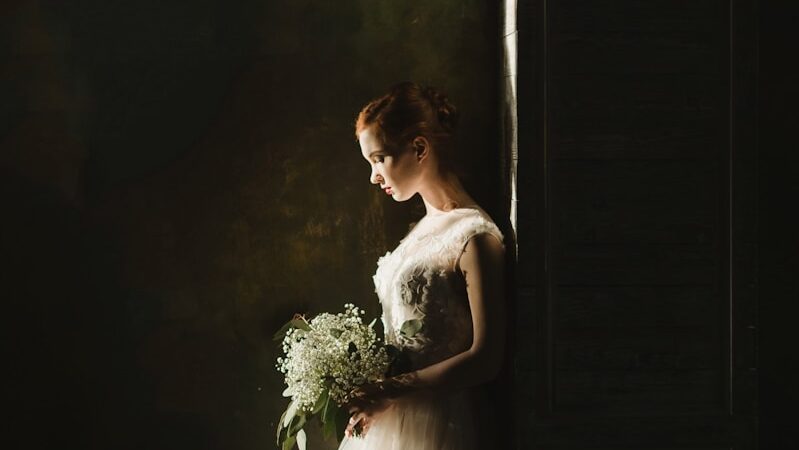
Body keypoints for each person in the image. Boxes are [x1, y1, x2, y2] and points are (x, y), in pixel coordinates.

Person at [339, 82, 506, 450]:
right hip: (391, 420)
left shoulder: (475, 236)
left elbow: (487, 358)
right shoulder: (422, 230)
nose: (373, 176)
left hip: (440, 425)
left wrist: (391, 389)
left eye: (379, 159)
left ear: (418, 148)